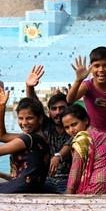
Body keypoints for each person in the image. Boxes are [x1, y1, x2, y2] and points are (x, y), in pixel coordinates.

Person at [62, 104, 106, 194]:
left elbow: (76, 169)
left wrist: (69, 192)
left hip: (102, 182)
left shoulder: (82, 138)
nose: (71, 130)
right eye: (67, 127)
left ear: (86, 120)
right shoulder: (102, 135)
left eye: (74, 124)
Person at [25, 65, 72, 193]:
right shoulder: (47, 125)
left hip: (69, 180)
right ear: (49, 111)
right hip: (46, 179)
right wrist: (29, 86)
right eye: (54, 109)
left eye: (62, 108)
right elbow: (34, 105)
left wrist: (58, 156)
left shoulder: (75, 128)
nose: (58, 112)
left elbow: (70, 143)